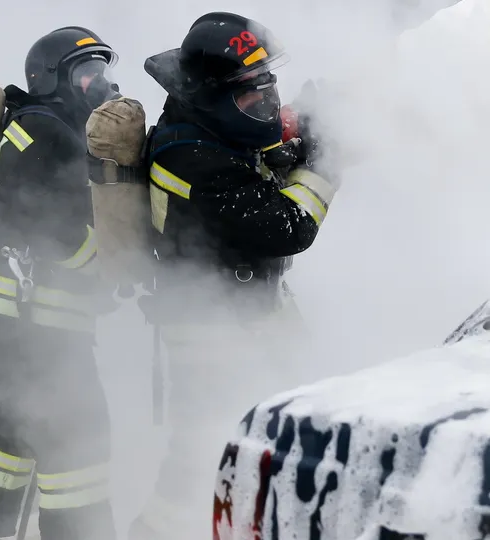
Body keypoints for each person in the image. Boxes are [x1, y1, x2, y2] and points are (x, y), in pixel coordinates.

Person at [129, 11, 340, 540]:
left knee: (259, 443)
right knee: (210, 456)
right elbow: (288, 226)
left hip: (247, 315)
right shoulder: (189, 157)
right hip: (211, 332)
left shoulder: (206, 124)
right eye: (253, 95)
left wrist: (301, 135)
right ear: (219, 96)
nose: (267, 103)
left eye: (270, 86)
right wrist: (322, 163)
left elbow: (255, 156)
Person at [0, 26, 122, 540]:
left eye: (102, 72)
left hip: (30, 309)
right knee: (75, 431)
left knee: (17, 424)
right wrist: (101, 267)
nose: (101, 85)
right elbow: (48, 221)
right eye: (87, 73)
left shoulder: (58, 127)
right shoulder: (42, 130)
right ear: (51, 80)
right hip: (24, 309)